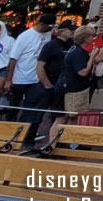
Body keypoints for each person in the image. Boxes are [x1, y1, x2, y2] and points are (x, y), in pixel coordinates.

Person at [18, 20, 75, 153]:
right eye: (69, 29)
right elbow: (40, 66)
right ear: (62, 31)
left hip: (62, 86)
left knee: (58, 117)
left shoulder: (72, 46)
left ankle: (56, 144)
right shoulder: (51, 45)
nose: (72, 32)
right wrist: (46, 84)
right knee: (36, 115)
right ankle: (28, 142)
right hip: (47, 85)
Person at [50, 25, 103, 141]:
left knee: (73, 117)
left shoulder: (78, 50)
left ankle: (69, 143)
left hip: (77, 89)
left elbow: (90, 69)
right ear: (85, 38)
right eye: (91, 36)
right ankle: (52, 144)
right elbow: (83, 72)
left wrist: (97, 59)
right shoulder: (77, 52)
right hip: (68, 90)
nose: (93, 38)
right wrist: (92, 57)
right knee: (61, 118)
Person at [6, 13, 55, 122]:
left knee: (30, 108)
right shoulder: (25, 36)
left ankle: (25, 130)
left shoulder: (47, 35)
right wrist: (9, 79)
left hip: (35, 79)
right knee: (14, 108)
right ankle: (9, 129)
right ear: (42, 24)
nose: (50, 29)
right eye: (49, 26)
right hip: (20, 78)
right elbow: (13, 59)